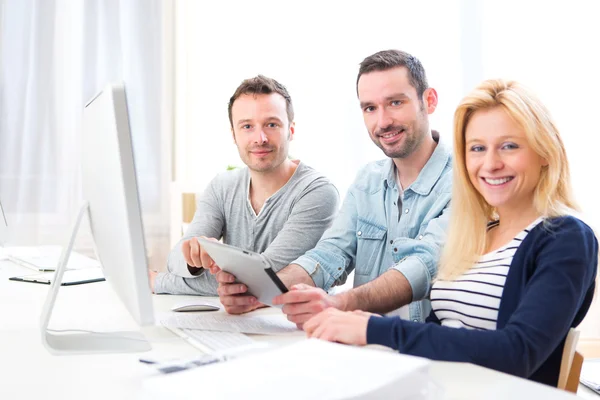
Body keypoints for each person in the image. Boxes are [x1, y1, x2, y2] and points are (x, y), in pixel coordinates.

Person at [303, 79, 598, 387]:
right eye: (477, 148)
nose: (490, 163)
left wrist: (371, 328)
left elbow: (517, 353)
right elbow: (440, 330)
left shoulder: (566, 238)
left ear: (545, 152)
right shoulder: (475, 235)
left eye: (509, 146)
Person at [214, 49, 452, 325]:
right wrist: (265, 292)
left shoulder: (464, 182)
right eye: (370, 108)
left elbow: (424, 266)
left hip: (424, 350)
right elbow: (330, 253)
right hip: (361, 343)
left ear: (429, 100)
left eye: (396, 102)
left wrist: (339, 303)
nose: (383, 121)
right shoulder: (368, 181)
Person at [151, 75, 339, 296]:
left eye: (271, 124)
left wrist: (158, 282)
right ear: (234, 135)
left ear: (291, 130)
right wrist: (193, 258)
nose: (260, 138)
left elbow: (264, 279)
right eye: (247, 126)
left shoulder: (317, 192)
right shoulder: (222, 187)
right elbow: (176, 260)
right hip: (232, 321)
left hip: (294, 325)